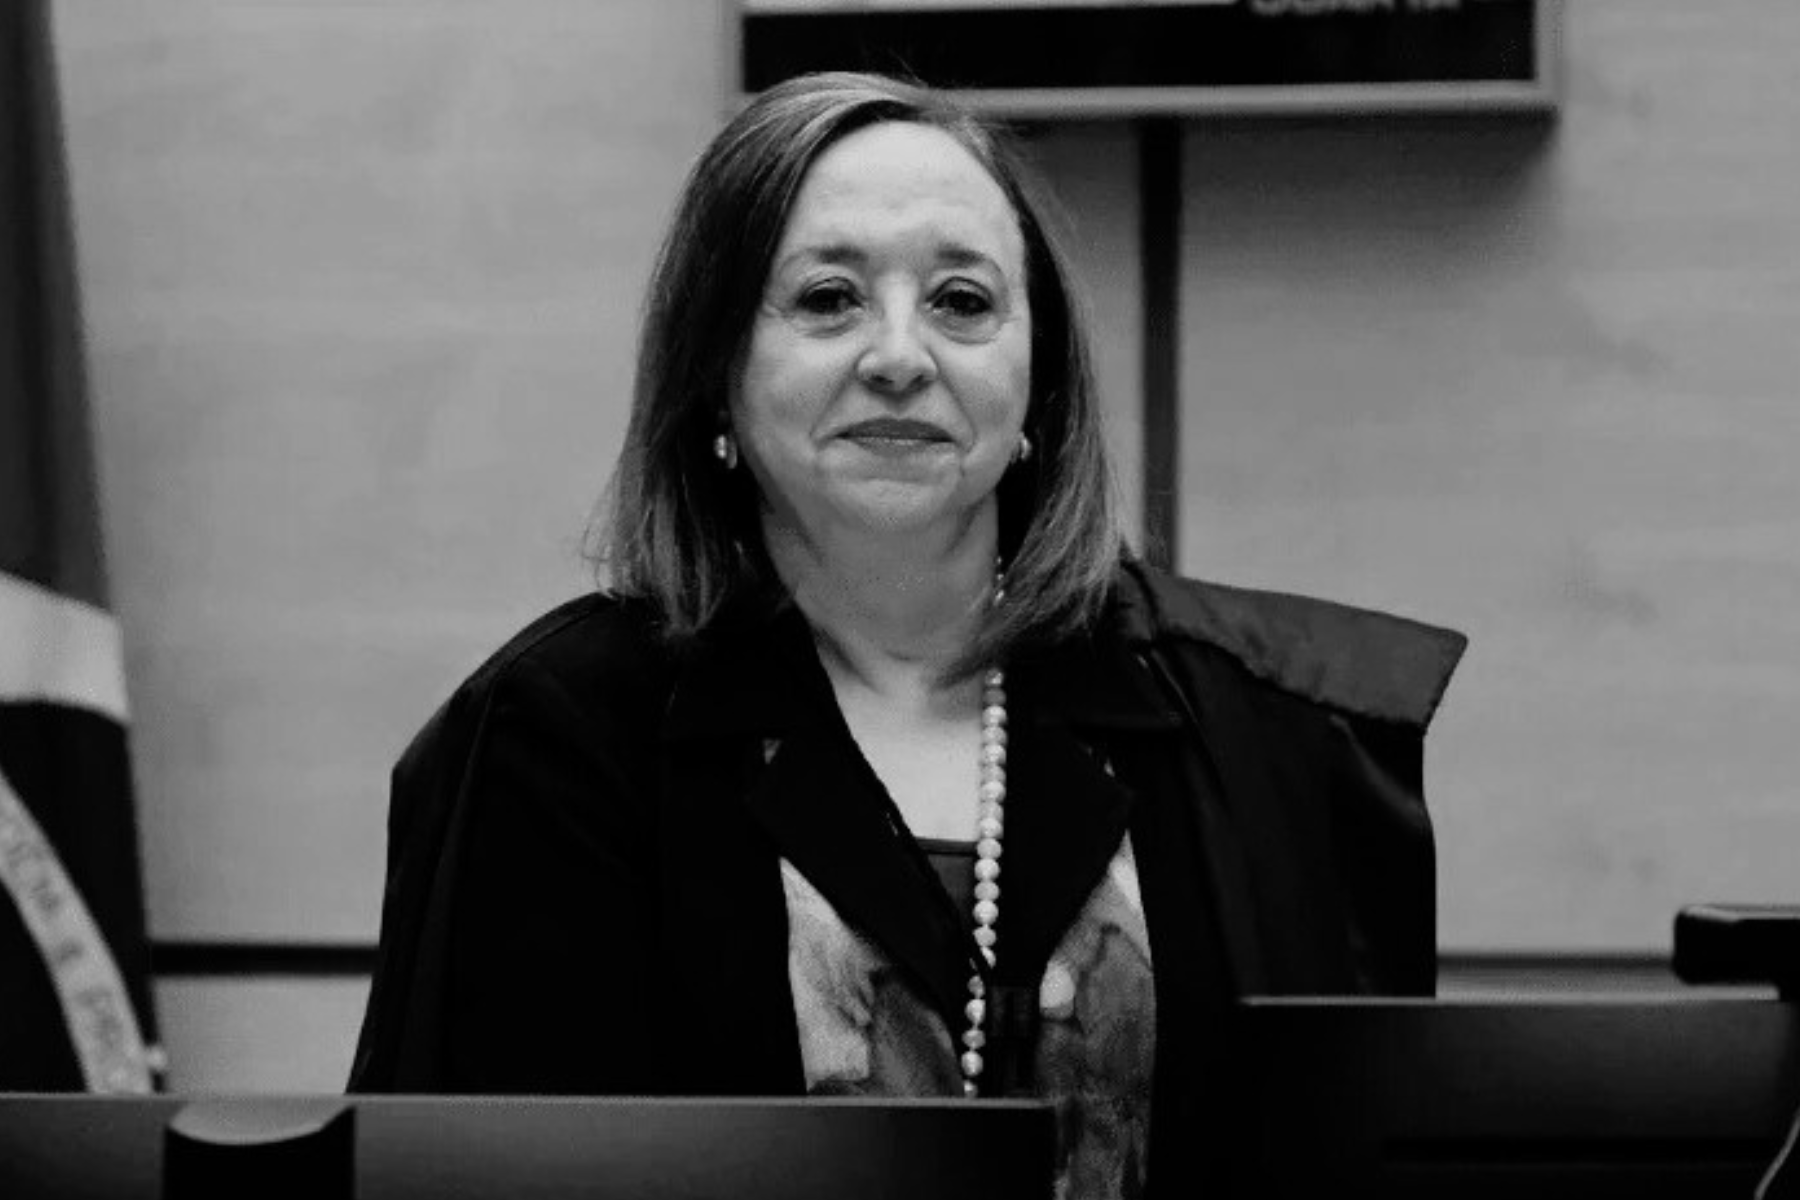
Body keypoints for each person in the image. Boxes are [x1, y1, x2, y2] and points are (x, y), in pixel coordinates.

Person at [348, 72, 1466, 1199]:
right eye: (829, 298)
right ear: (716, 375)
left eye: (962, 302)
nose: (899, 355)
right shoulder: (559, 741)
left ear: (1037, 386)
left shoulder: (1271, 727)